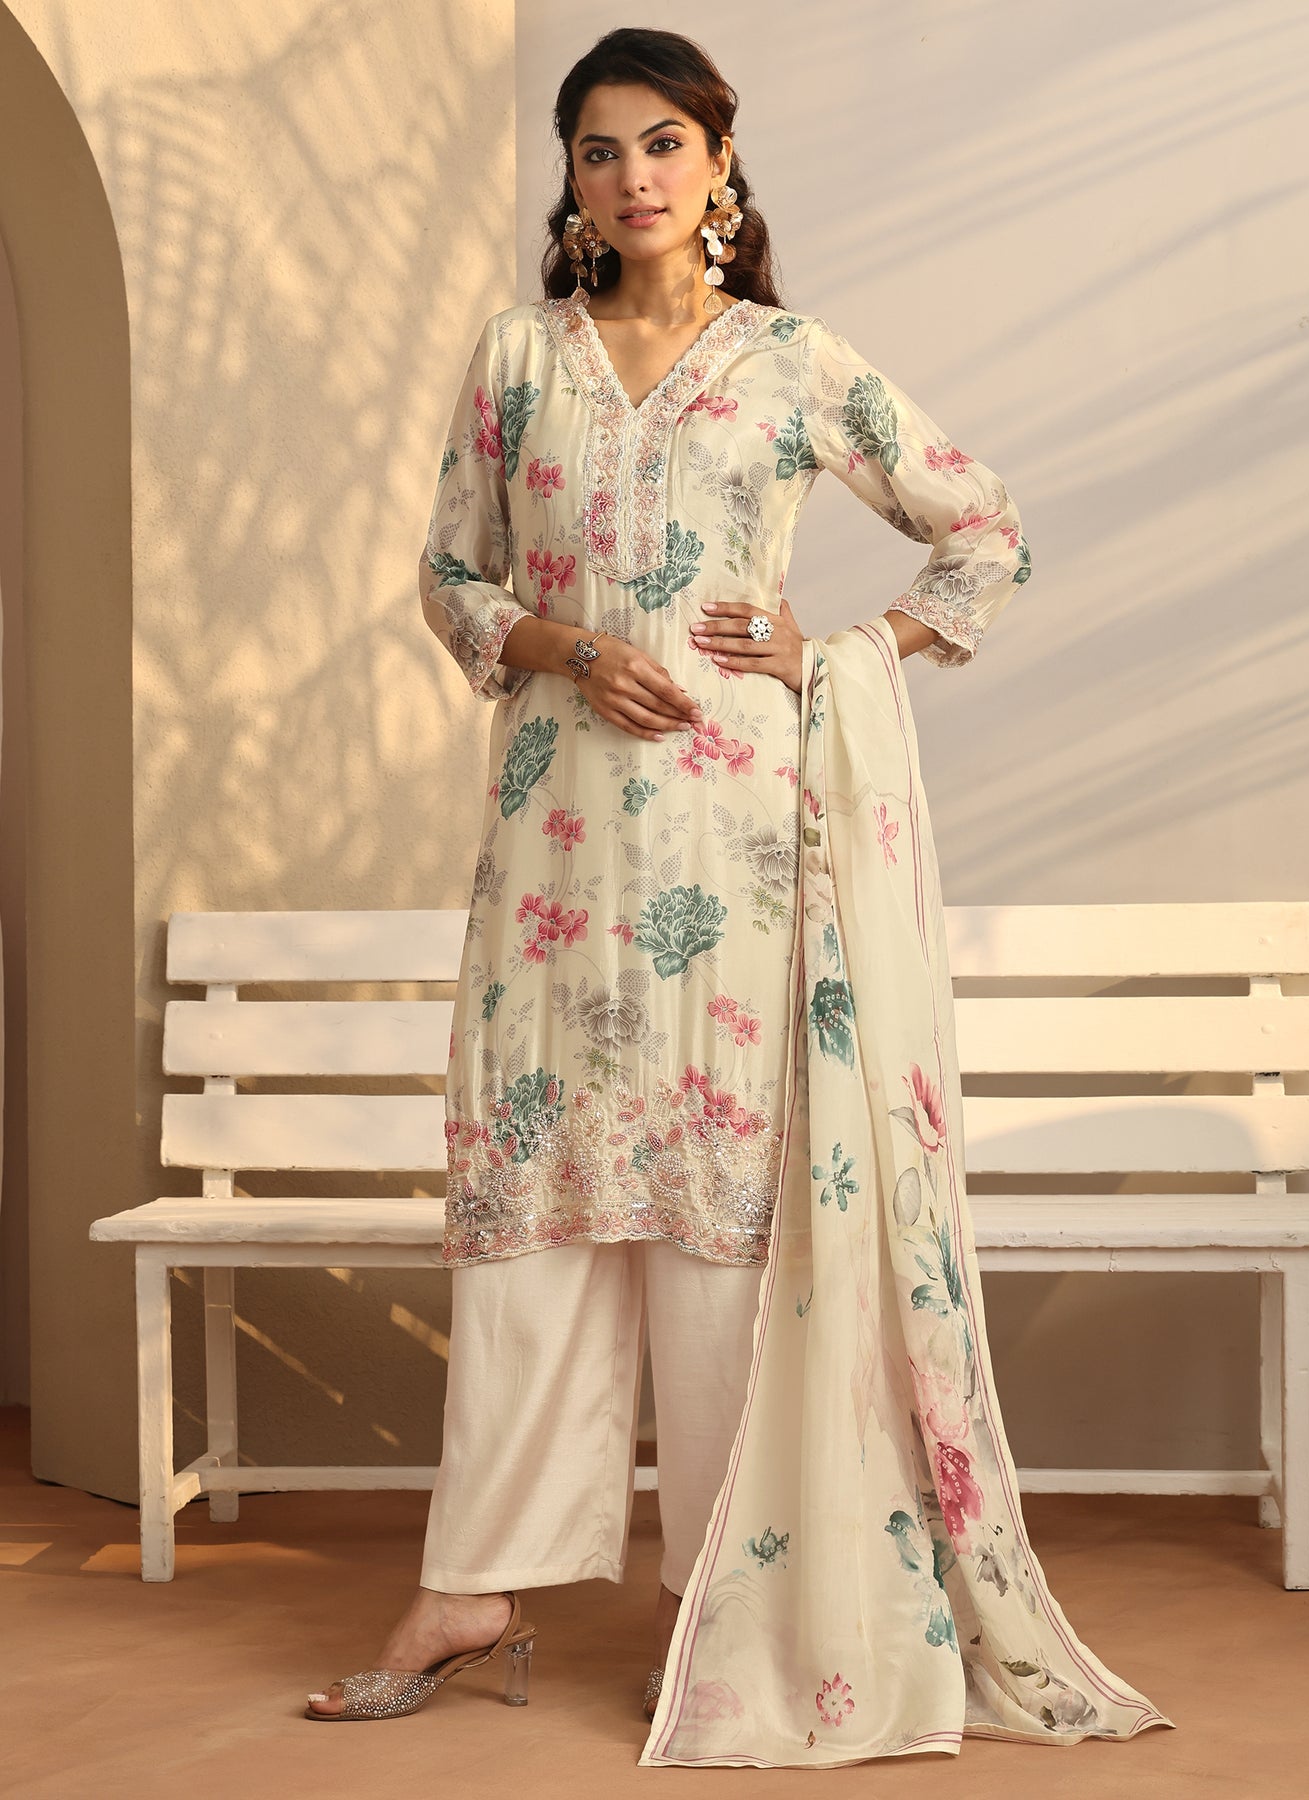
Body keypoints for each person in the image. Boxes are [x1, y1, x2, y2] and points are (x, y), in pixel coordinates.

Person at [305, 24, 1031, 1728]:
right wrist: (561, 644)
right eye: (595, 150)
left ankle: (725, 1594)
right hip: (553, 842)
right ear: (568, 180)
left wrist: (838, 652)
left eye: (659, 144)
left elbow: (981, 524)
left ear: (717, 162)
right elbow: (450, 573)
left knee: (718, 1223)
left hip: (738, 845)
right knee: (533, 1204)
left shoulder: (789, 361)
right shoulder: (518, 356)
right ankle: (471, 1588)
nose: (628, 176)